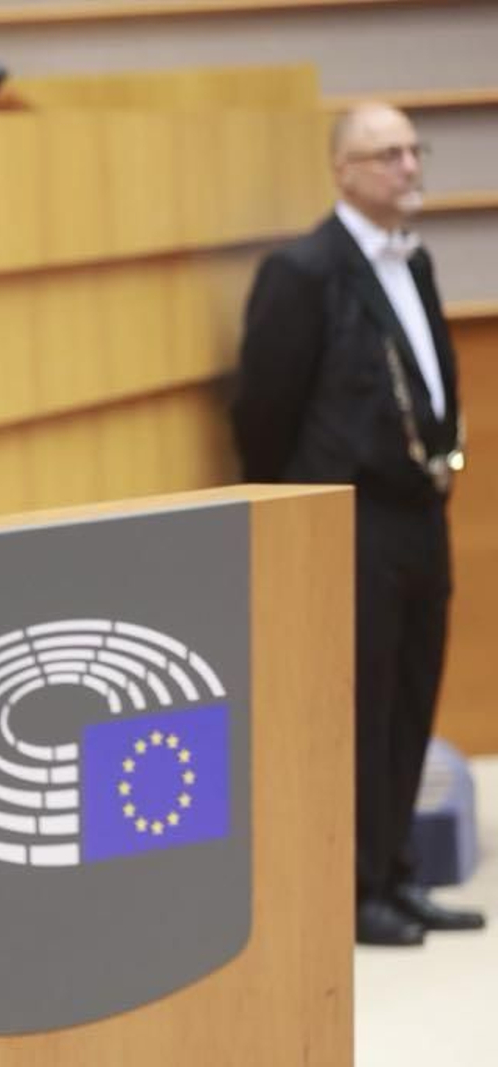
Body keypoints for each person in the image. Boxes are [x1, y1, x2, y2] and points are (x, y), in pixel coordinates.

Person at [232, 103, 485, 946]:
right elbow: (262, 415)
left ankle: (397, 869)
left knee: (412, 693)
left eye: (414, 150)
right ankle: (355, 888)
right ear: (342, 171)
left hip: (420, 513)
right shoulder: (303, 272)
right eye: (388, 154)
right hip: (349, 522)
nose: (409, 167)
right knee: (361, 708)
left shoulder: (415, 260)